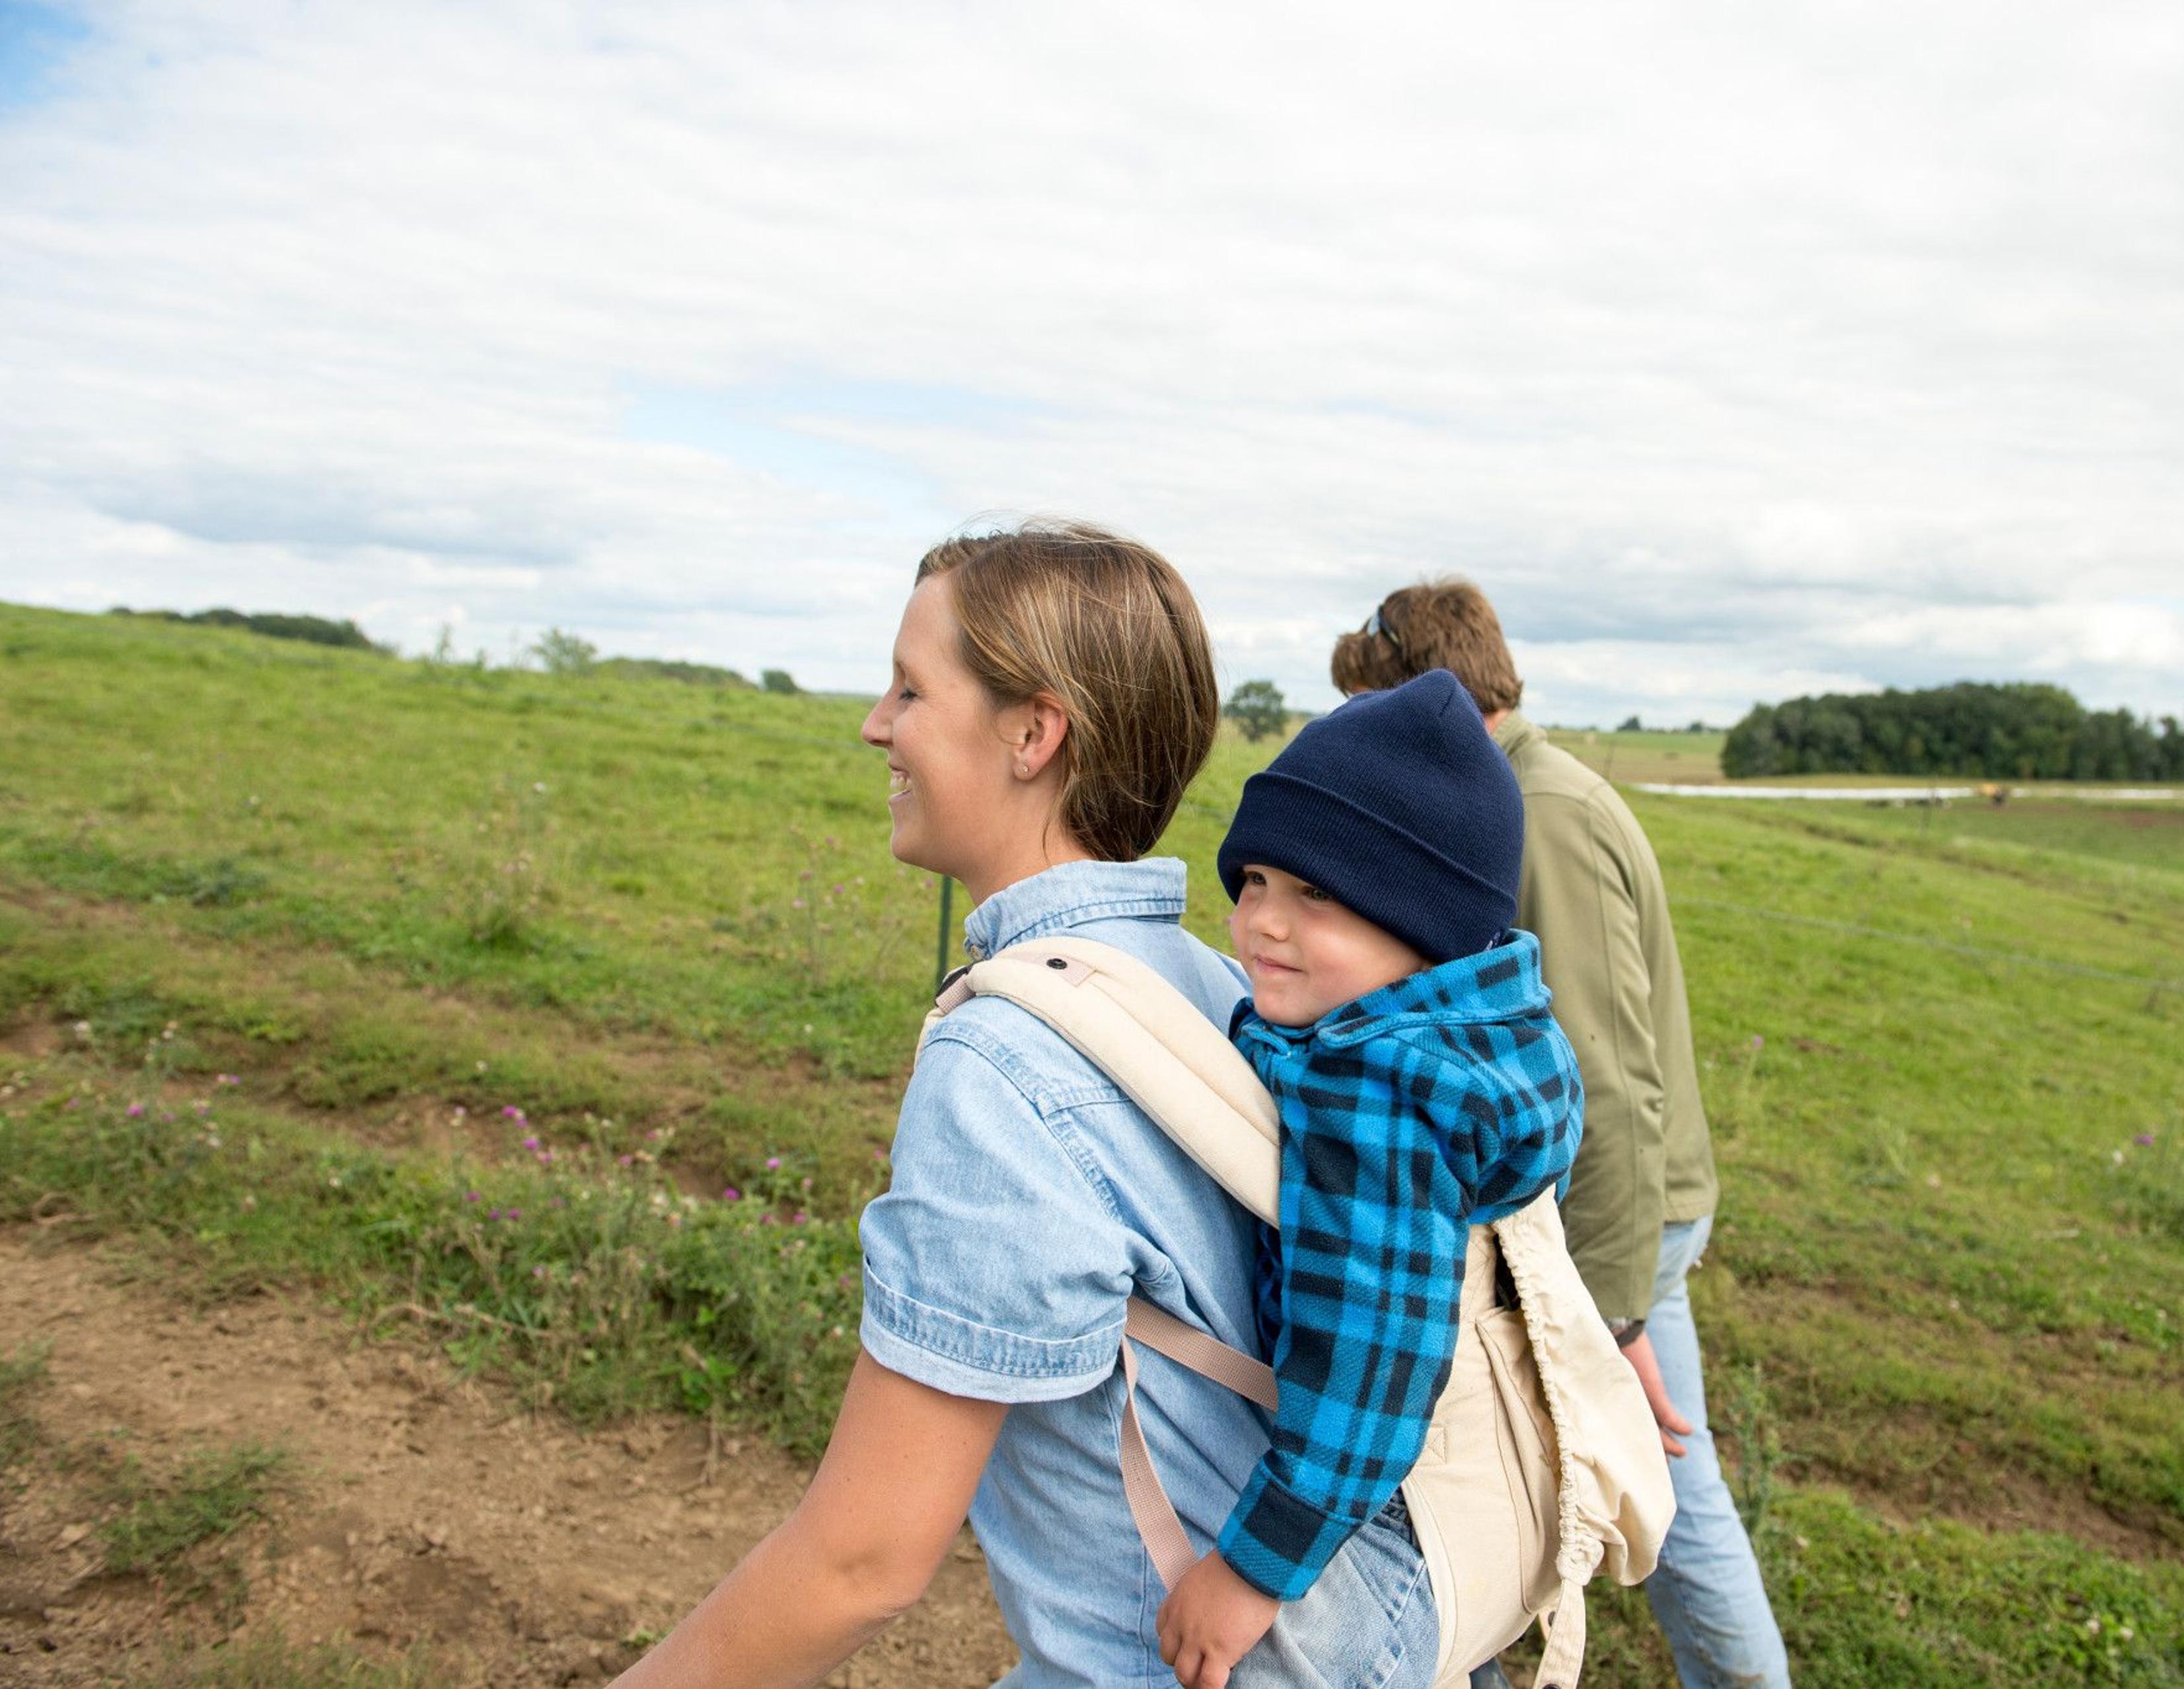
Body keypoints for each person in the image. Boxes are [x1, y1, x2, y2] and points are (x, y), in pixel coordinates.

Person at [612, 523, 1438, 1689]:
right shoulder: (1212, 986)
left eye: (911, 688)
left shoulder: (1005, 1066)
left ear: (1034, 733)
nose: (876, 724)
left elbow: (863, 1560)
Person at [1330, 583, 1790, 1689]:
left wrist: (1614, 1303)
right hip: (1571, 1213)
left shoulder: (1547, 814)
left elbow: (1611, 1081)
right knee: (1535, 1477)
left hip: (1612, 1223)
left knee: (1661, 1497)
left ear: (1430, 698)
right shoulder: (1512, 794)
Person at [1155, 670, 1583, 1686]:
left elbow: (1370, 1368)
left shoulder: (1374, 1089)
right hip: (1471, 1501)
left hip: (1370, 1495)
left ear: (1423, 923)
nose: (1261, 921)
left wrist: (1252, 1573)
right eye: (1255, 880)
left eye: (1318, 895)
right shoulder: (1472, 1034)